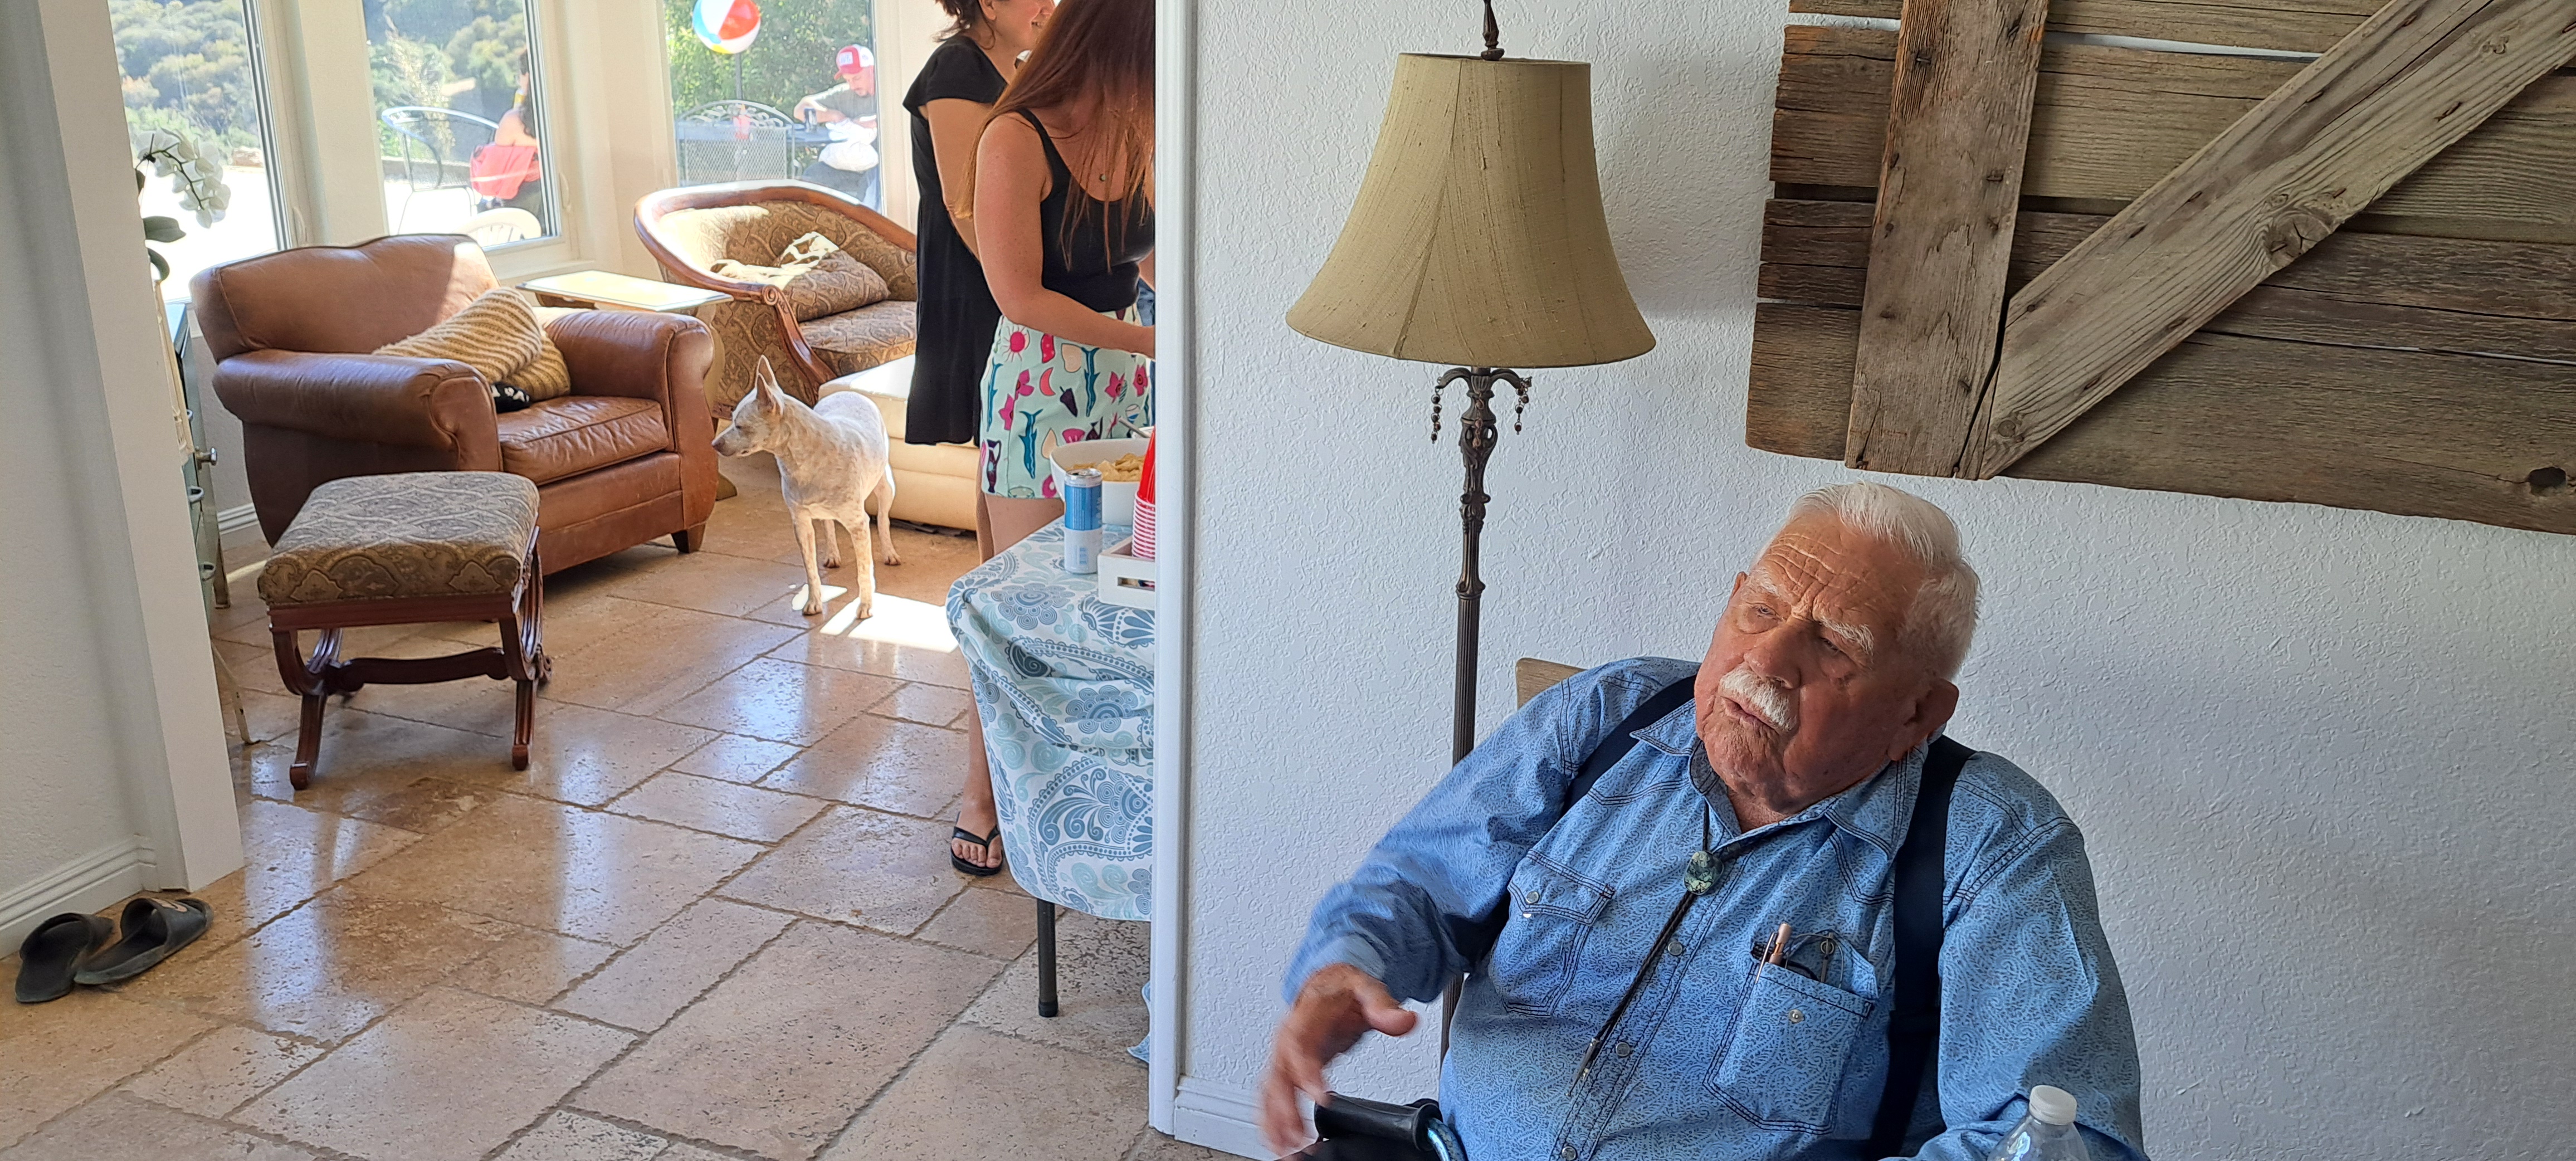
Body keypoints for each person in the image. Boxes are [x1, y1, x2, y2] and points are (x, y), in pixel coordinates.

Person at [1262, 483, 2150, 1161]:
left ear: (1918, 713)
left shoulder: (1993, 847)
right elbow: (1419, 885)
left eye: (1833, 646)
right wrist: (1348, 968)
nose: (1767, 657)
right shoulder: (1607, 714)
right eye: (1760, 610)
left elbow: (2066, 1137)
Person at [946, 0, 1154, 878]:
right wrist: (1154, 339)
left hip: (1128, 383)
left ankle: (1081, 789)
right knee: (1021, 610)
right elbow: (1020, 296)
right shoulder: (1014, 137)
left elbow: (1144, 258)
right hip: (1041, 389)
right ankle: (981, 796)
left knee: (1118, 594)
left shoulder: (1137, 129)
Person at [794, 45, 883, 206]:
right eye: (848, 80)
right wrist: (834, 116)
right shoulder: (844, 94)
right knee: (811, 178)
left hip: (878, 167)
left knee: (874, 189)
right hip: (844, 166)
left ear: (872, 70)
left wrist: (871, 122)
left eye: (857, 78)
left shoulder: (888, 92)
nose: (853, 86)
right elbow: (800, 110)